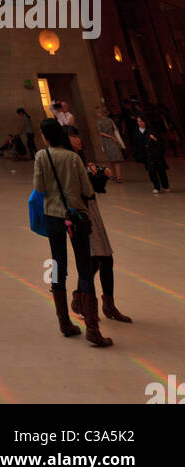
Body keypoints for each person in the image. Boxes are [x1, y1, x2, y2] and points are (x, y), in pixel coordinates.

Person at [32, 117, 112, 347]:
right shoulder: (73, 157)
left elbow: (38, 188)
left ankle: (64, 323)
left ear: (45, 136)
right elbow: (87, 189)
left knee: (58, 265)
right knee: (84, 268)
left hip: (53, 217)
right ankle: (93, 330)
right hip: (76, 217)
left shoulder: (41, 156)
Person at [65, 127, 131, 324]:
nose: (78, 140)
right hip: (81, 213)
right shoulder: (69, 160)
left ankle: (106, 304)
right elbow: (77, 187)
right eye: (74, 136)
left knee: (105, 259)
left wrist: (100, 174)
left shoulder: (80, 158)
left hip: (92, 211)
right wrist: (91, 176)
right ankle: (81, 300)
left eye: (78, 135)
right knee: (95, 261)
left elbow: (95, 189)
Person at [133, 115, 169, 193]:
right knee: (151, 172)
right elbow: (135, 145)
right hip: (146, 155)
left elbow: (160, 142)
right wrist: (137, 155)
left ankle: (165, 185)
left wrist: (155, 139)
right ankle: (156, 187)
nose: (140, 123)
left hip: (156, 154)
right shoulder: (136, 133)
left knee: (161, 170)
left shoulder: (152, 130)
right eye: (138, 121)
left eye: (141, 121)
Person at [95, 104, 124, 181]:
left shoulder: (99, 122)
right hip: (114, 140)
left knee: (110, 160)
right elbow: (115, 129)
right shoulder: (110, 120)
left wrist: (109, 137)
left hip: (107, 141)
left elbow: (101, 132)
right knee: (117, 160)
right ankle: (119, 176)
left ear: (100, 113)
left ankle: (113, 175)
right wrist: (114, 137)